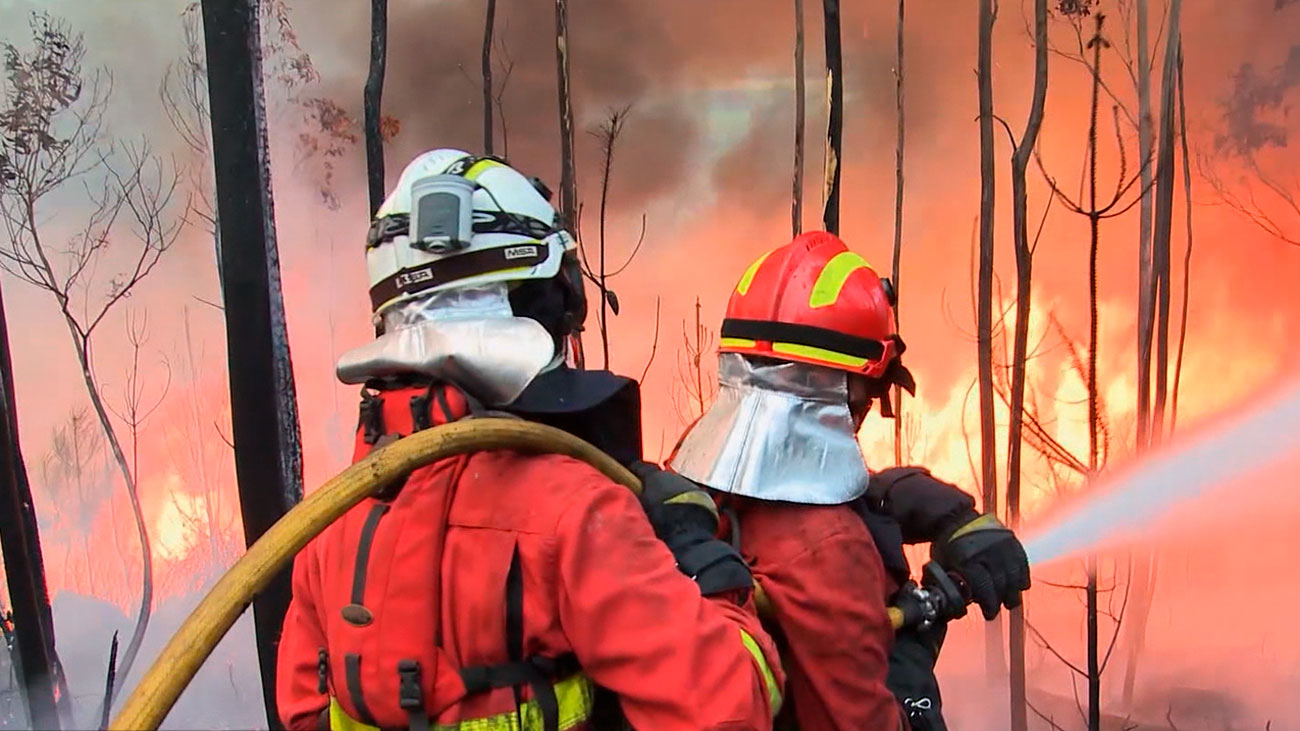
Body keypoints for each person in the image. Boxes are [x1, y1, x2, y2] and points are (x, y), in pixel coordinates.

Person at [275, 149, 783, 731]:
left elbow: (304, 713)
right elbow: (726, 711)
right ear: (538, 304)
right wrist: (705, 566)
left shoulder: (332, 517)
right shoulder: (576, 510)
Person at [665, 231, 1030, 731]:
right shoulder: (833, 551)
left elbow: (790, 483)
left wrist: (907, 496)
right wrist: (909, 648)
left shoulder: (693, 472)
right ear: (850, 385)